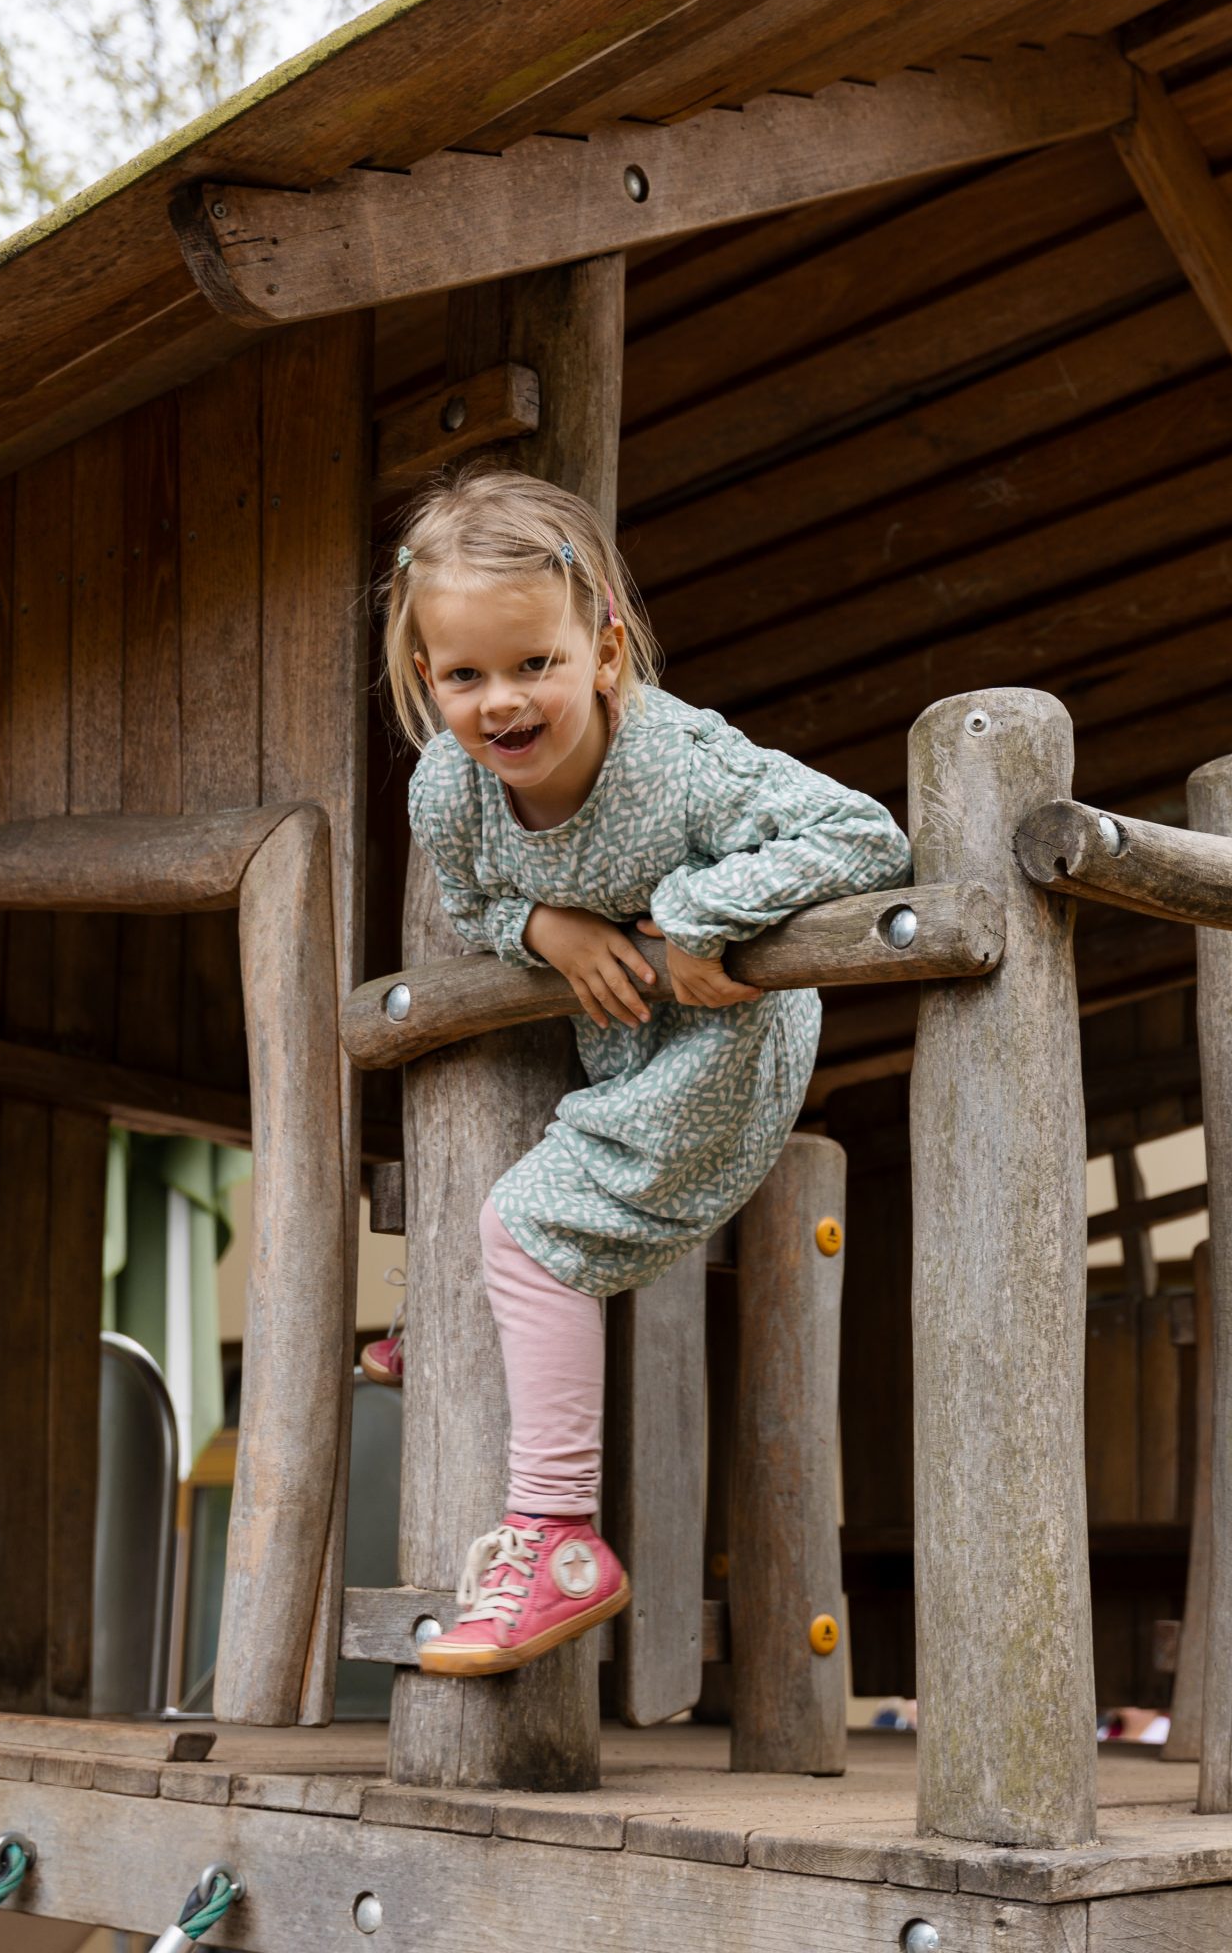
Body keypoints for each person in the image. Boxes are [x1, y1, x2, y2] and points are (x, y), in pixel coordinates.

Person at [367, 464, 910, 1676]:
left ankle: (559, 1541)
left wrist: (704, 911)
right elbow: (477, 898)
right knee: (528, 1219)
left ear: (605, 651)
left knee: (525, 1224)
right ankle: (476, 1331)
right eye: (464, 676)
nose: (501, 702)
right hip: (619, 1041)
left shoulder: (683, 763)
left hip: (732, 1037)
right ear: (426, 679)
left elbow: (867, 833)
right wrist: (545, 930)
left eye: (535, 665)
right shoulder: (447, 791)